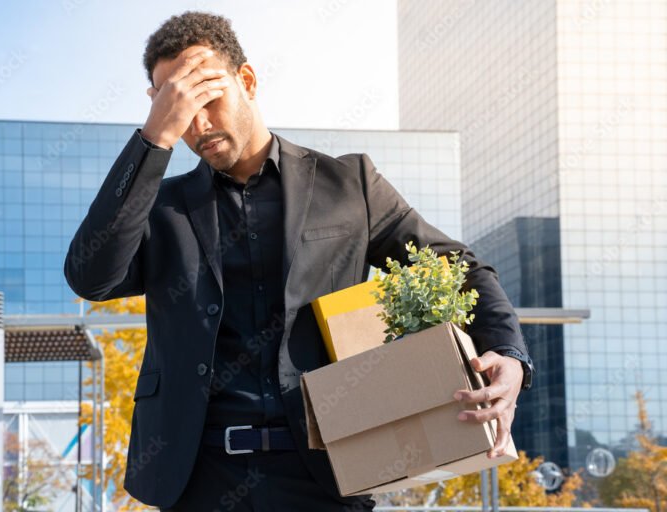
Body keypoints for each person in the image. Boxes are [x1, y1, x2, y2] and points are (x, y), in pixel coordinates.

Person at [64, 10, 534, 512]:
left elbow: (456, 266)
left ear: (247, 80)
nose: (197, 125)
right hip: (196, 478)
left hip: (327, 471)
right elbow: (91, 278)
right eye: (179, 109)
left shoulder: (350, 185)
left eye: (207, 98)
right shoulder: (159, 209)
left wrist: (509, 355)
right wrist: (154, 137)